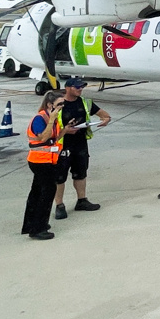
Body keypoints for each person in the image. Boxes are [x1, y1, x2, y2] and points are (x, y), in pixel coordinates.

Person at [53, 77, 111, 219]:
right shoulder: (58, 104)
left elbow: (104, 114)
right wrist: (65, 131)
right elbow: (49, 126)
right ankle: (59, 205)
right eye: (77, 87)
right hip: (62, 144)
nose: (80, 89)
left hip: (80, 144)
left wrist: (106, 119)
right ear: (68, 88)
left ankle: (82, 200)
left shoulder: (85, 102)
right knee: (59, 177)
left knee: (81, 173)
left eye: (81, 87)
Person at [22, 91, 64, 240]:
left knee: (37, 192)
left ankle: (32, 224)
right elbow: (43, 137)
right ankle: (38, 229)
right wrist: (52, 119)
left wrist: (65, 129)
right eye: (59, 104)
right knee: (46, 193)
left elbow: (53, 138)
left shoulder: (51, 118)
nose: (62, 107)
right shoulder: (40, 119)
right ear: (49, 105)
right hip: (39, 161)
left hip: (47, 160)